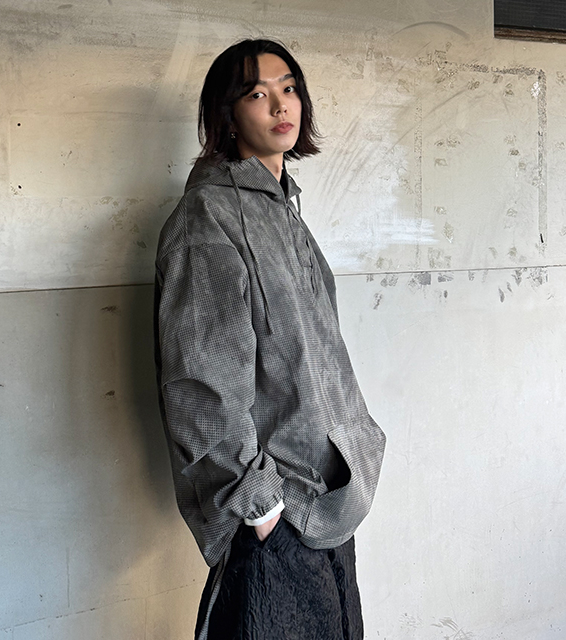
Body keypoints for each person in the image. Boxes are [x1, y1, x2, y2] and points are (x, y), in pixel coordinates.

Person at [154, 38, 386, 640]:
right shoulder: (208, 217)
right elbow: (199, 380)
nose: (281, 105)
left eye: (289, 88)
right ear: (228, 114)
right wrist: (261, 506)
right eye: (257, 93)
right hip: (275, 510)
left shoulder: (284, 210)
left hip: (328, 499)